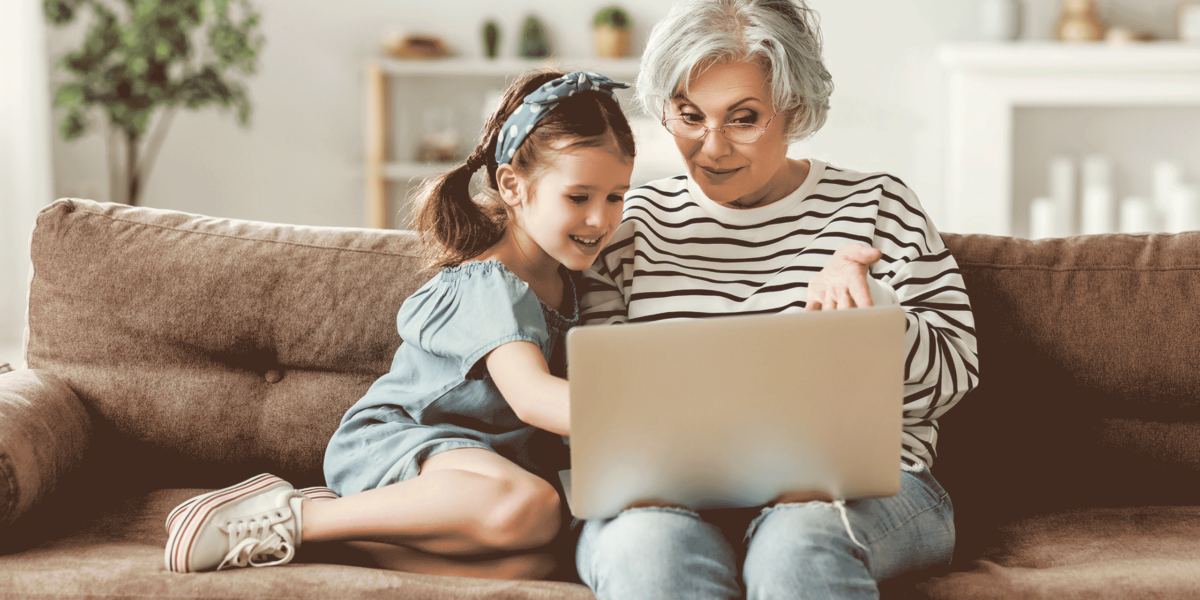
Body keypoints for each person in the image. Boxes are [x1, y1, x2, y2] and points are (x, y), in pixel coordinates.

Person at [575, 1, 979, 598]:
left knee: (796, 547)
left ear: (795, 110)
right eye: (689, 116)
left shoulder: (878, 205)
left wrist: (873, 309)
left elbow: (955, 376)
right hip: (665, 502)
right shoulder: (630, 224)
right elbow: (595, 401)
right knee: (647, 555)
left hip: (860, 494)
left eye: (743, 118)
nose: (710, 148)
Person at [163, 70, 637, 578]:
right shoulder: (490, 282)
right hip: (398, 444)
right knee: (533, 504)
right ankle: (295, 517)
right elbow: (531, 395)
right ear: (512, 186)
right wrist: (649, 420)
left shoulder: (575, 286)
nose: (600, 220)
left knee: (535, 562)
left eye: (616, 197)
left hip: (478, 475)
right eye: (578, 197)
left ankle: (344, 542)